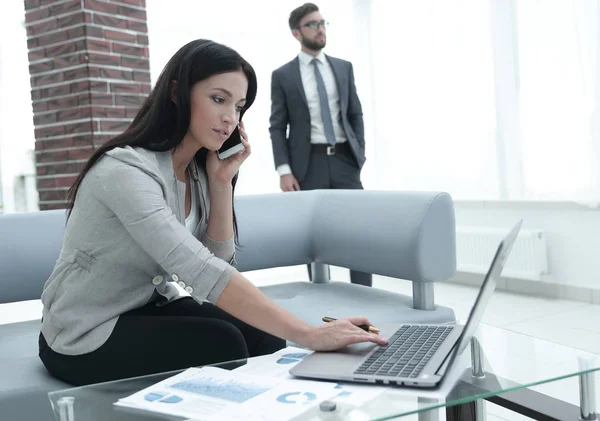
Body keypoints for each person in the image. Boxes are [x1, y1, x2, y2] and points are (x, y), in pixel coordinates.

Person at [37, 39, 387, 387]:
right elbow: (199, 270)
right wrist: (309, 333)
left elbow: (218, 261)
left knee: (262, 336)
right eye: (218, 99)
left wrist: (221, 182)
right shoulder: (125, 171)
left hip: (148, 306)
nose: (229, 118)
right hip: (84, 330)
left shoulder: (198, 170)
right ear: (177, 92)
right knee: (224, 344)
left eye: (238, 106)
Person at [269, 3, 372, 287]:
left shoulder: (343, 68)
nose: (320, 28)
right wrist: (284, 170)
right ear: (296, 32)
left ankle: (364, 295)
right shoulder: (283, 75)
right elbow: (277, 126)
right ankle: (320, 294)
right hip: (307, 165)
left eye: (322, 22)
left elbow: (355, 114)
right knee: (312, 236)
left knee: (358, 232)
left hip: (344, 160)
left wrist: (359, 153)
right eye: (312, 24)